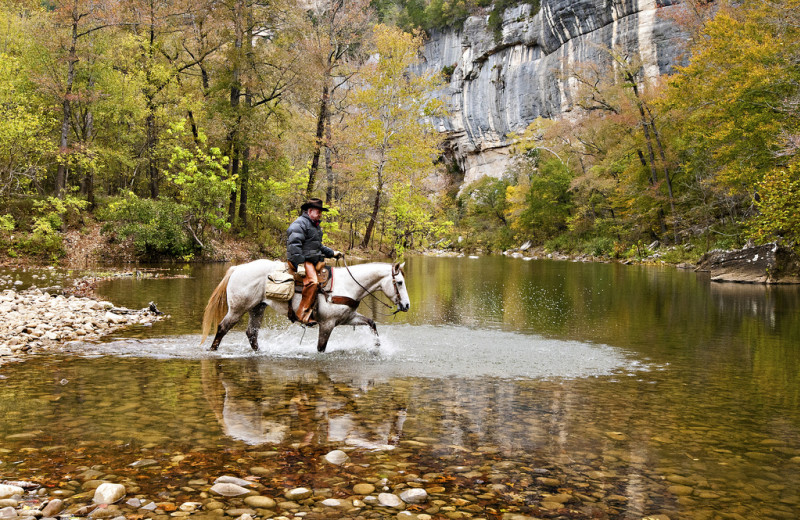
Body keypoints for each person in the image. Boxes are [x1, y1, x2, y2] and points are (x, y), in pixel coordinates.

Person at [286, 198, 342, 324]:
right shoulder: (299, 224)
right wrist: (299, 264)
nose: (320, 214)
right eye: (318, 212)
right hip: (302, 259)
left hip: (310, 259)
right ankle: (301, 314)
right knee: (313, 281)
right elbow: (294, 246)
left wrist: (332, 253)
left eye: (321, 212)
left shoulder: (313, 225)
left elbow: (318, 246)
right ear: (310, 211)